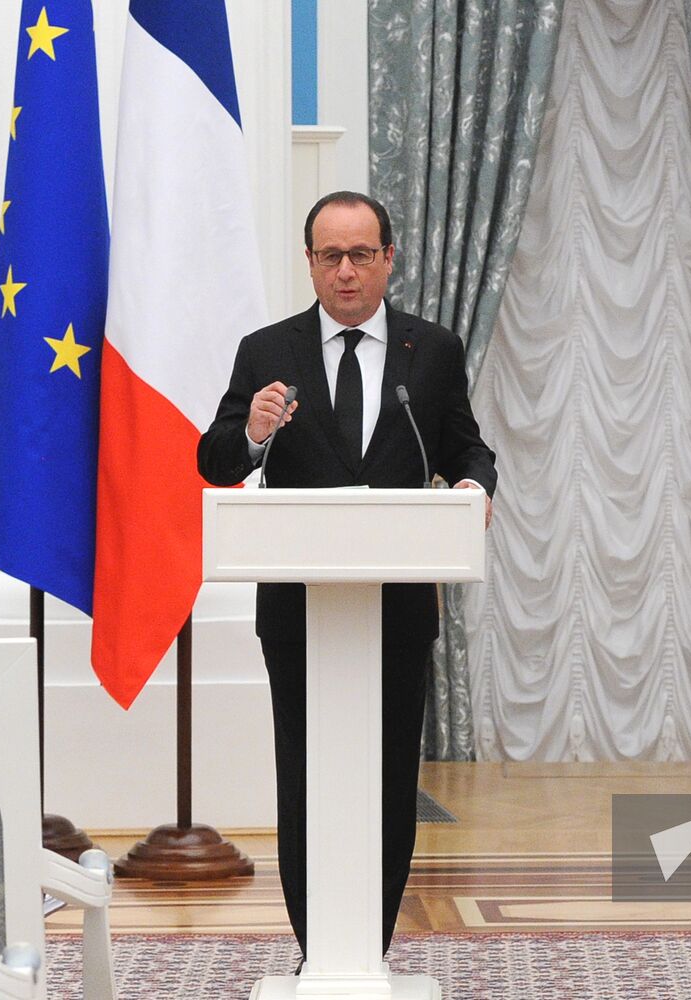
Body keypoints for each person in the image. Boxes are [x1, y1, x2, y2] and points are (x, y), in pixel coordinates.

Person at [197, 191, 497, 959]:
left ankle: (370, 943)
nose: (346, 271)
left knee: (393, 776)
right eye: (330, 255)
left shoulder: (431, 352)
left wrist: (472, 489)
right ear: (309, 263)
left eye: (362, 254)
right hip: (299, 611)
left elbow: (468, 449)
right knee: (305, 778)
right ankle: (316, 946)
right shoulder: (268, 350)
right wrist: (255, 432)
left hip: (397, 607)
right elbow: (216, 457)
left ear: (389, 259)